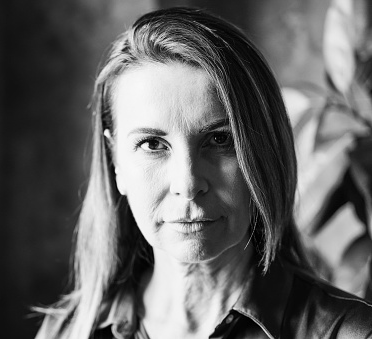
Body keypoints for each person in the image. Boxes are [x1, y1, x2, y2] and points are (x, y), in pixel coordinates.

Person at [35, 7, 372, 339]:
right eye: (152, 144)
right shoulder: (66, 332)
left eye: (219, 139)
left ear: (265, 154)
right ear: (115, 162)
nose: (188, 184)